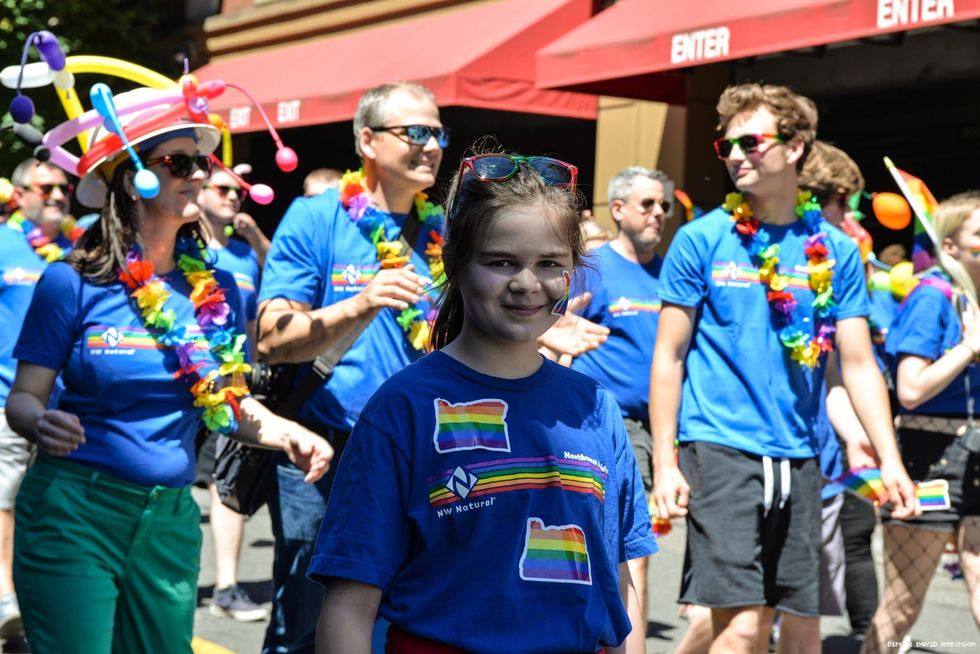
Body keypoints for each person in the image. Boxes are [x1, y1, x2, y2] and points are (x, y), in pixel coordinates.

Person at [4, 92, 334, 654]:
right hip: (74, 509)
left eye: (201, 163)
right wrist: (40, 422)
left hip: (170, 519)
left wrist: (289, 433)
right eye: (179, 163)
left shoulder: (218, 292)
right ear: (134, 181)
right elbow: (24, 399)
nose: (198, 176)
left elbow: (226, 402)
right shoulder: (72, 283)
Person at [310, 151, 657, 654]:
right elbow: (349, 606)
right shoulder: (401, 408)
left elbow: (621, 588)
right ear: (454, 262)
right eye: (501, 262)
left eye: (550, 264)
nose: (526, 283)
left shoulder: (595, 406)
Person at [650, 83, 918, 654]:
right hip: (717, 446)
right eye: (727, 145)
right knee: (741, 624)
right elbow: (669, 357)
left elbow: (857, 365)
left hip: (799, 456)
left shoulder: (836, 250)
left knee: (789, 618)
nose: (735, 155)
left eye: (751, 141)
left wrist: (889, 458)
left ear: (795, 146)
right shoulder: (702, 239)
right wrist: (667, 463)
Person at [256, 82, 449, 653]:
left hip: (420, 452)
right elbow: (270, 339)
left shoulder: (446, 229)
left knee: (402, 614)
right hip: (324, 450)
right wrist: (360, 302)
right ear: (368, 140)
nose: (432, 145)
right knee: (307, 616)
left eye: (439, 132)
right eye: (415, 132)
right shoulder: (316, 218)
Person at [863, 192, 980, 653]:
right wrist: (969, 348)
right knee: (902, 604)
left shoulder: (975, 297)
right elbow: (909, 389)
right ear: (950, 246)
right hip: (929, 460)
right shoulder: (932, 296)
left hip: (975, 460)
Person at [570, 166, 673, 630]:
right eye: (647, 204)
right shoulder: (592, 268)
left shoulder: (671, 272)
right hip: (608, 425)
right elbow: (549, 331)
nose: (658, 213)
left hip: (663, 427)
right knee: (633, 550)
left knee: (636, 549)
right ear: (617, 209)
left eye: (664, 205)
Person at [196, 166, 270, 621]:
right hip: (183, 380)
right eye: (222, 188)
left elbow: (251, 324)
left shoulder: (244, 254)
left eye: (239, 192)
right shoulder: (184, 248)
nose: (233, 197)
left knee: (227, 479)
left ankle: (225, 586)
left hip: (228, 383)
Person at [0, 226, 46, 642]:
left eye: (59, 189)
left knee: (37, 504)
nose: (54, 197)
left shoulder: (61, 251)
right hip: (5, 398)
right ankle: (4, 598)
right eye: (43, 188)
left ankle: (23, 600)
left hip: (53, 406)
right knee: (5, 498)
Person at [8, 158, 75, 262]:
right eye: (46, 188)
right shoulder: (3, 241)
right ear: (19, 196)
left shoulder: (81, 244)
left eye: (64, 189)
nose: (59, 196)